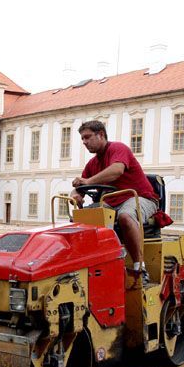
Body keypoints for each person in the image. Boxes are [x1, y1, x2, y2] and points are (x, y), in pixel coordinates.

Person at [70, 120, 158, 289]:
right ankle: (86, 267)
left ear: (101, 134)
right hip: (111, 202)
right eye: (82, 139)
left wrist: (88, 181)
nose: (84, 142)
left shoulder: (118, 148)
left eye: (87, 137)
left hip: (139, 197)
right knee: (79, 221)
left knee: (126, 216)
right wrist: (75, 195)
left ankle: (140, 267)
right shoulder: (92, 164)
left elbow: (117, 170)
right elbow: (80, 187)